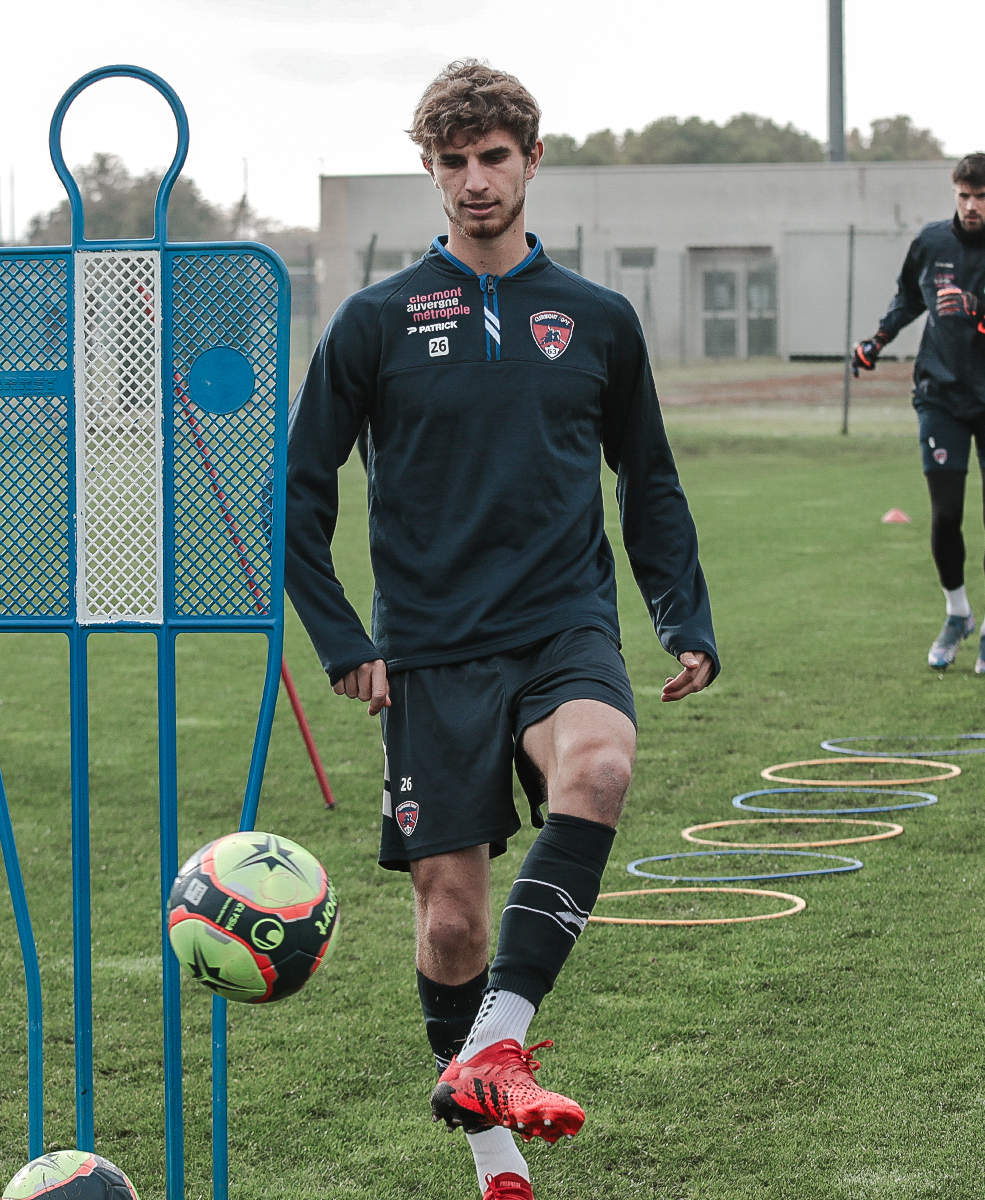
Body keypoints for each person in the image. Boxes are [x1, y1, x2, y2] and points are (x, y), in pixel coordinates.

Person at [285, 59, 718, 1200]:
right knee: (450, 928)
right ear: (429, 172)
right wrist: (343, 641)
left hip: (561, 622)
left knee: (602, 764)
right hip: (428, 650)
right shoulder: (374, 322)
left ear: (531, 160)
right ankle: (494, 1155)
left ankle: (501, 1043)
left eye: (493, 157)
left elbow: (649, 479)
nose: (475, 180)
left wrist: (681, 612)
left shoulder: (598, 319)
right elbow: (300, 490)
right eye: (454, 161)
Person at [852, 153, 985, 673]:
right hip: (941, 395)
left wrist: (984, 313)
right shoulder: (931, 242)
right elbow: (908, 298)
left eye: (981, 197)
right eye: (963, 196)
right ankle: (957, 613)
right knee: (945, 513)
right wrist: (878, 340)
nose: (971, 206)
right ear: (955, 193)